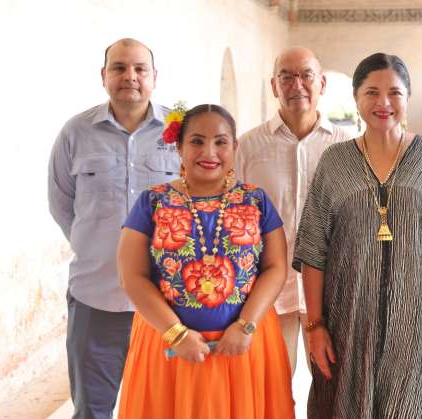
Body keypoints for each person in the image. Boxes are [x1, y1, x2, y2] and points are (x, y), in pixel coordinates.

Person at [292, 52, 422, 418]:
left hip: (421, 327)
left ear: (407, 97)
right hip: (348, 326)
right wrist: (315, 326)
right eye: (371, 93)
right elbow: (314, 250)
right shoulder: (335, 162)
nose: (383, 103)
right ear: (356, 98)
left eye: (394, 92)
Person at [116, 104, 295, 419]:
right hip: (169, 352)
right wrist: (177, 334)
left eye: (221, 141)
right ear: (179, 146)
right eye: (197, 141)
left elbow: (276, 268)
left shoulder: (256, 200)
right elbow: (132, 276)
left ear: (235, 147)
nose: (209, 151)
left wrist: (246, 324)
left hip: (244, 347)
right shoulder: (152, 202)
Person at [48, 38, 180, 419]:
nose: (130, 77)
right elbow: (62, 203)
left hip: (166, 304)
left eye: (140, 69)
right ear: (103, 76)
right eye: (119, 68)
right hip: (96, 299)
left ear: (155, 77)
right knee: (92, 410)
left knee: (164, 409)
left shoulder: (182, 132)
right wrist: (99, 249)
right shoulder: (76, 133)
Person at [236, 46, 350, 375]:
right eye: (286, 77)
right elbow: (235, 219)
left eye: (306, 75)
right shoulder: (248, 147)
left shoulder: (346, 146)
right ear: (274, 86)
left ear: (322, 83)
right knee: (272, 389)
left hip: (331, 293)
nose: (296, 84)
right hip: (268, 292)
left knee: (332, 389)